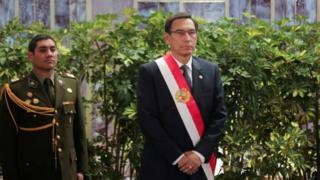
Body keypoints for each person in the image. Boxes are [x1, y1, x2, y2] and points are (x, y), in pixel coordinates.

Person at [137, 12, 227, 180]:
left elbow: (219, 116)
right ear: (167, 38)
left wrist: (198, 155)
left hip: (200, 165)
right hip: (162, 166)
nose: (187, 38)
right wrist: (179, 158)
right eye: (180, 33)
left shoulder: (210, 70)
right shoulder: (151, 72)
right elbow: (148, 119)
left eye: (191, 32)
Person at [0, 34, 89, 180]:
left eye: (53, 50)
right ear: (31, 55)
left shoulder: (71, 84)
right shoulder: (15, 91)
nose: (49, 54)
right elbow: (7, 140)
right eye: (43, 50)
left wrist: (82, 170)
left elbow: (79, 131)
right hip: (31, 170)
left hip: (67, 170)